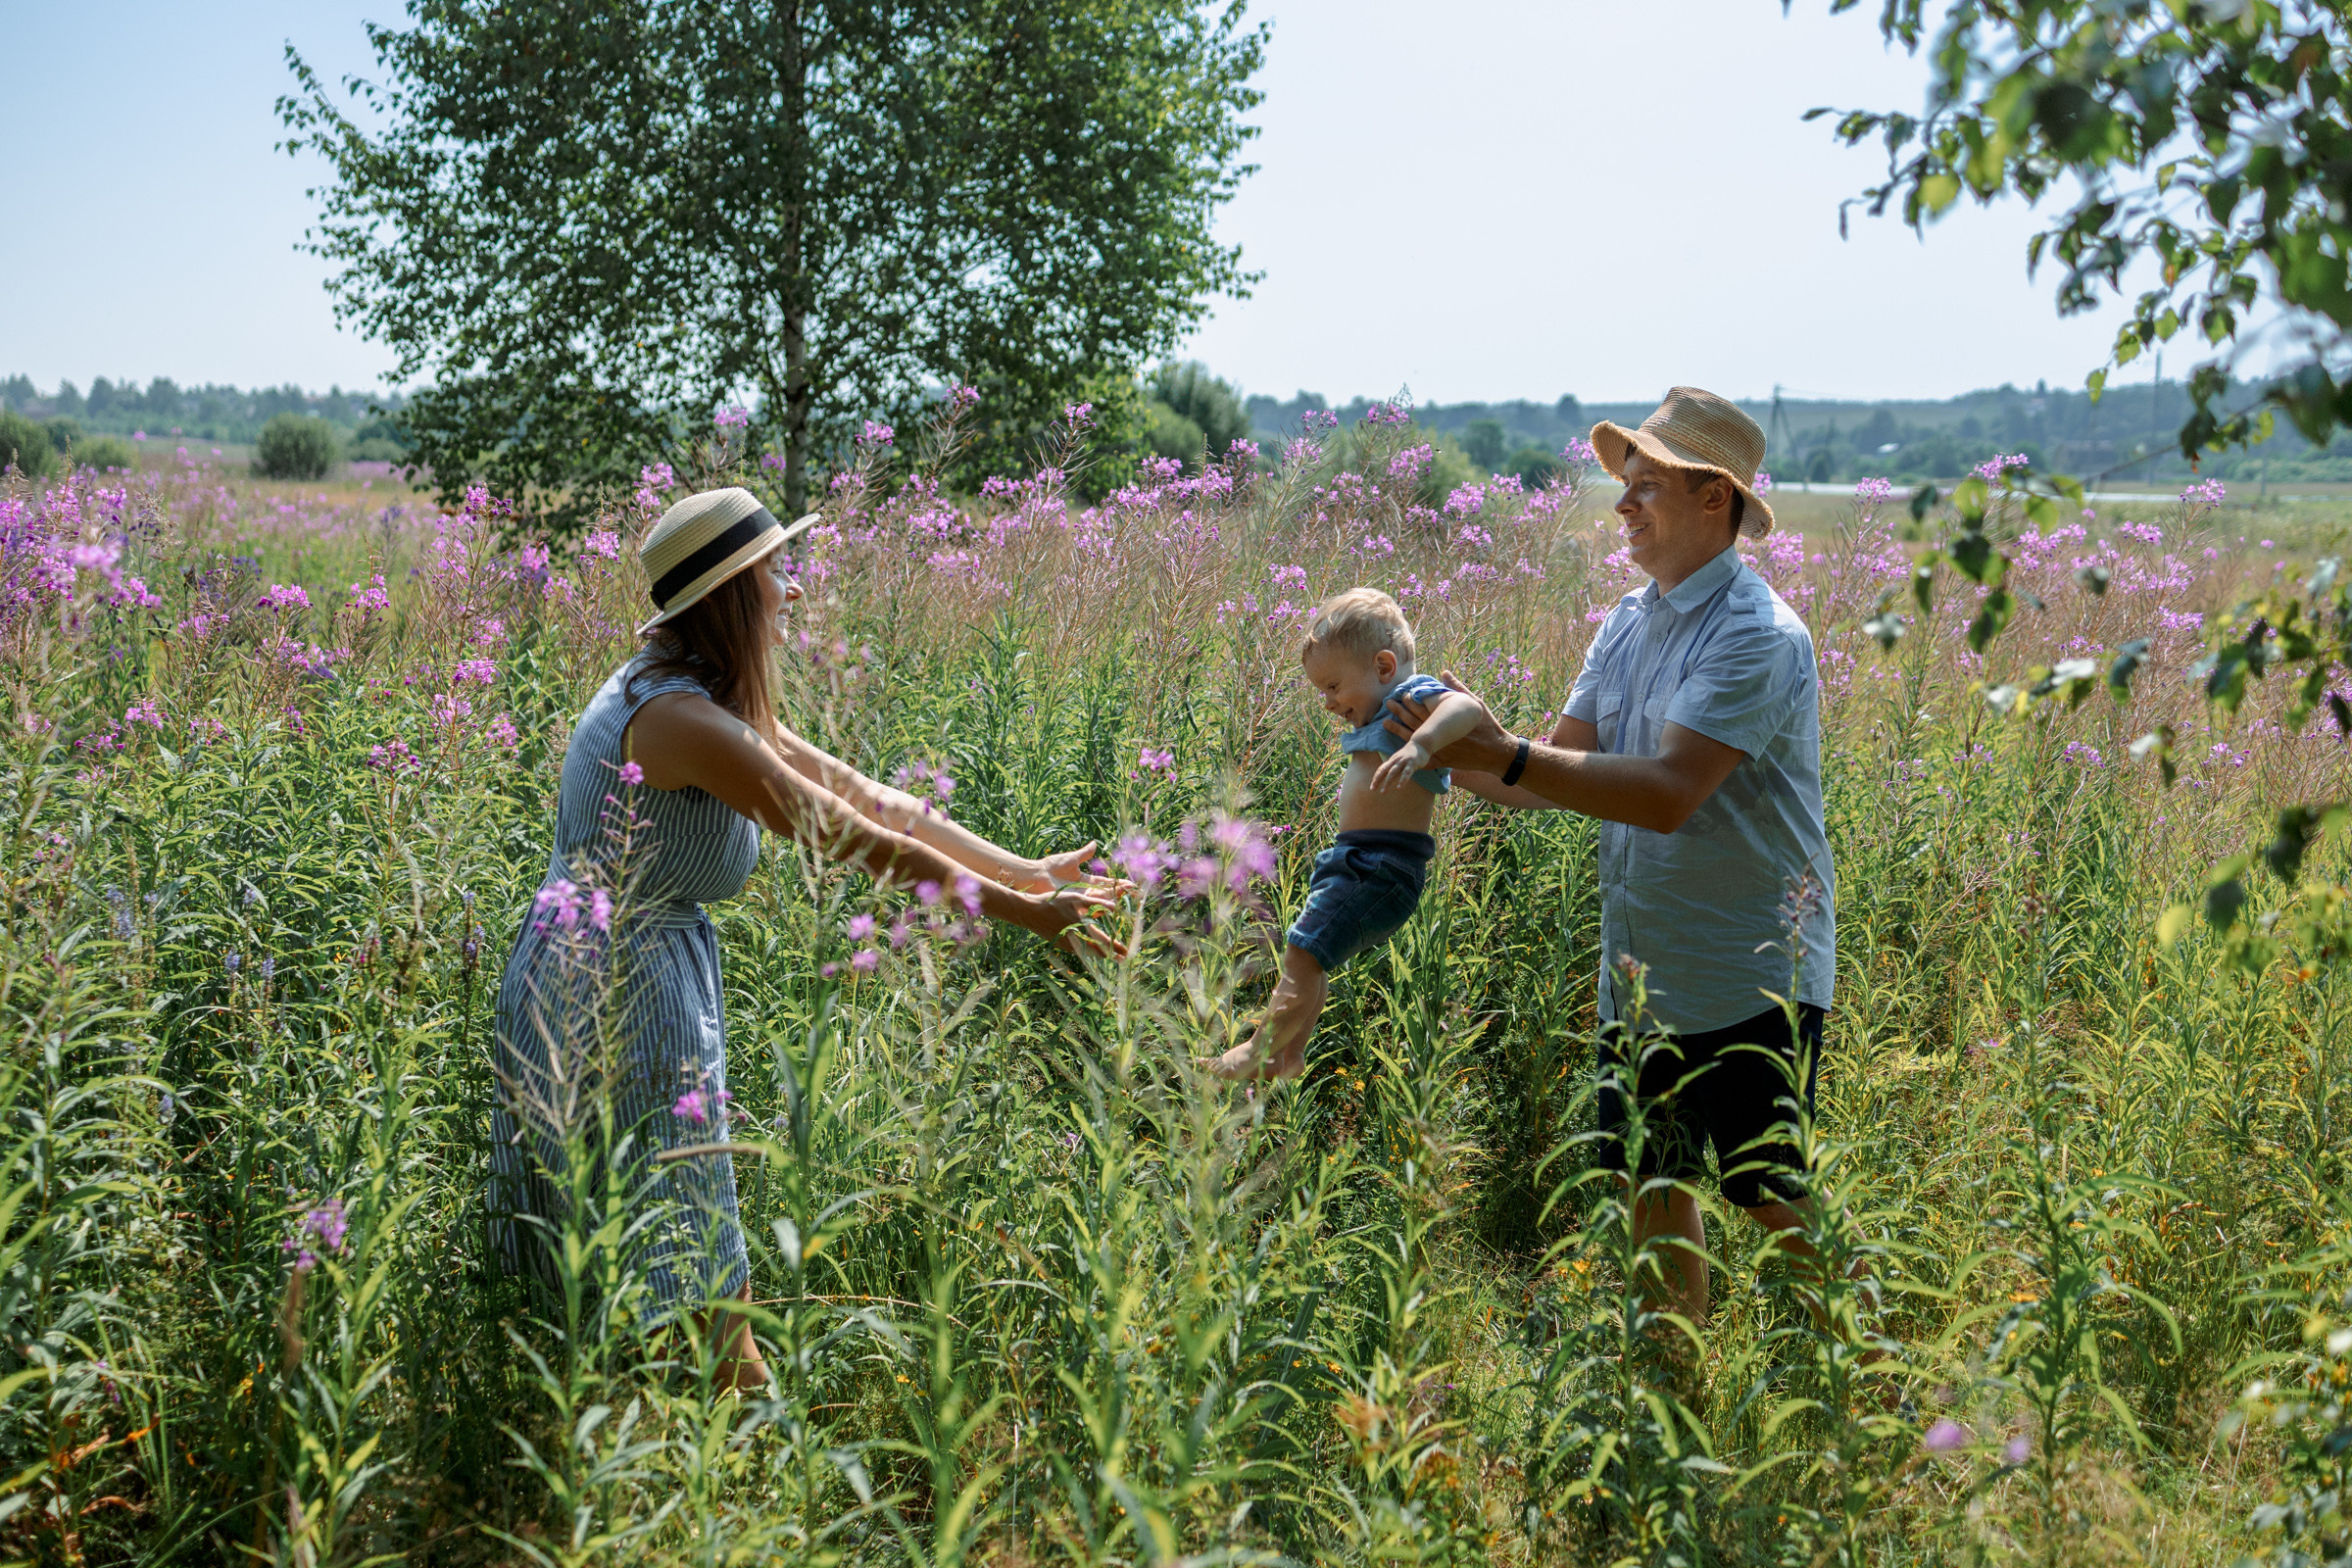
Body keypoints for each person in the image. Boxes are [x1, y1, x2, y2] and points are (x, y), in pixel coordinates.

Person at [490, 487, 1120, 1393]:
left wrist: (1028, 870)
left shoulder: (704, 696)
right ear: (734, 595)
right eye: (776, 574)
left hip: (630, 962)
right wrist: (1022, 915)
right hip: (612, 980)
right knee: (692, 1253)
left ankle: (667, 1444)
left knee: (655, 1235)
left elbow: (877, 799)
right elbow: (852, 839)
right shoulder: (680, 721)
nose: (791, 591)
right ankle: (752, 1465)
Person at [1383, 388, 1843, 1334]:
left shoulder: (1756, 633)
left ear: (1715, 497)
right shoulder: (1630, 621)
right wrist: (1431, 751)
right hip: (1644, 968)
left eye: (1646, 487)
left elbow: (1670, 793)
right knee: (1648, 1178)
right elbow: (1549, 773)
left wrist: (1501, 751)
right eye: (1622, 488)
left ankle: (1857, 1374)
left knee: (1767, 1191)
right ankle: (1676, 1385)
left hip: (1752, 966)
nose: (1622, 506)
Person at [1207, 587, 1483, 1081]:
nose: (1329, 703)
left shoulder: (1407, 696)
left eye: (1333, 686)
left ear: (1382, 666)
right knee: (1312, 958)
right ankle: (1286, 1054)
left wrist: (1420, 746)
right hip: (1356, 862)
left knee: (1303, 951)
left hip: (1378, 866)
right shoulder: (1383, 708)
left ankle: (1256, 1050)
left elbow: (1466, 711)